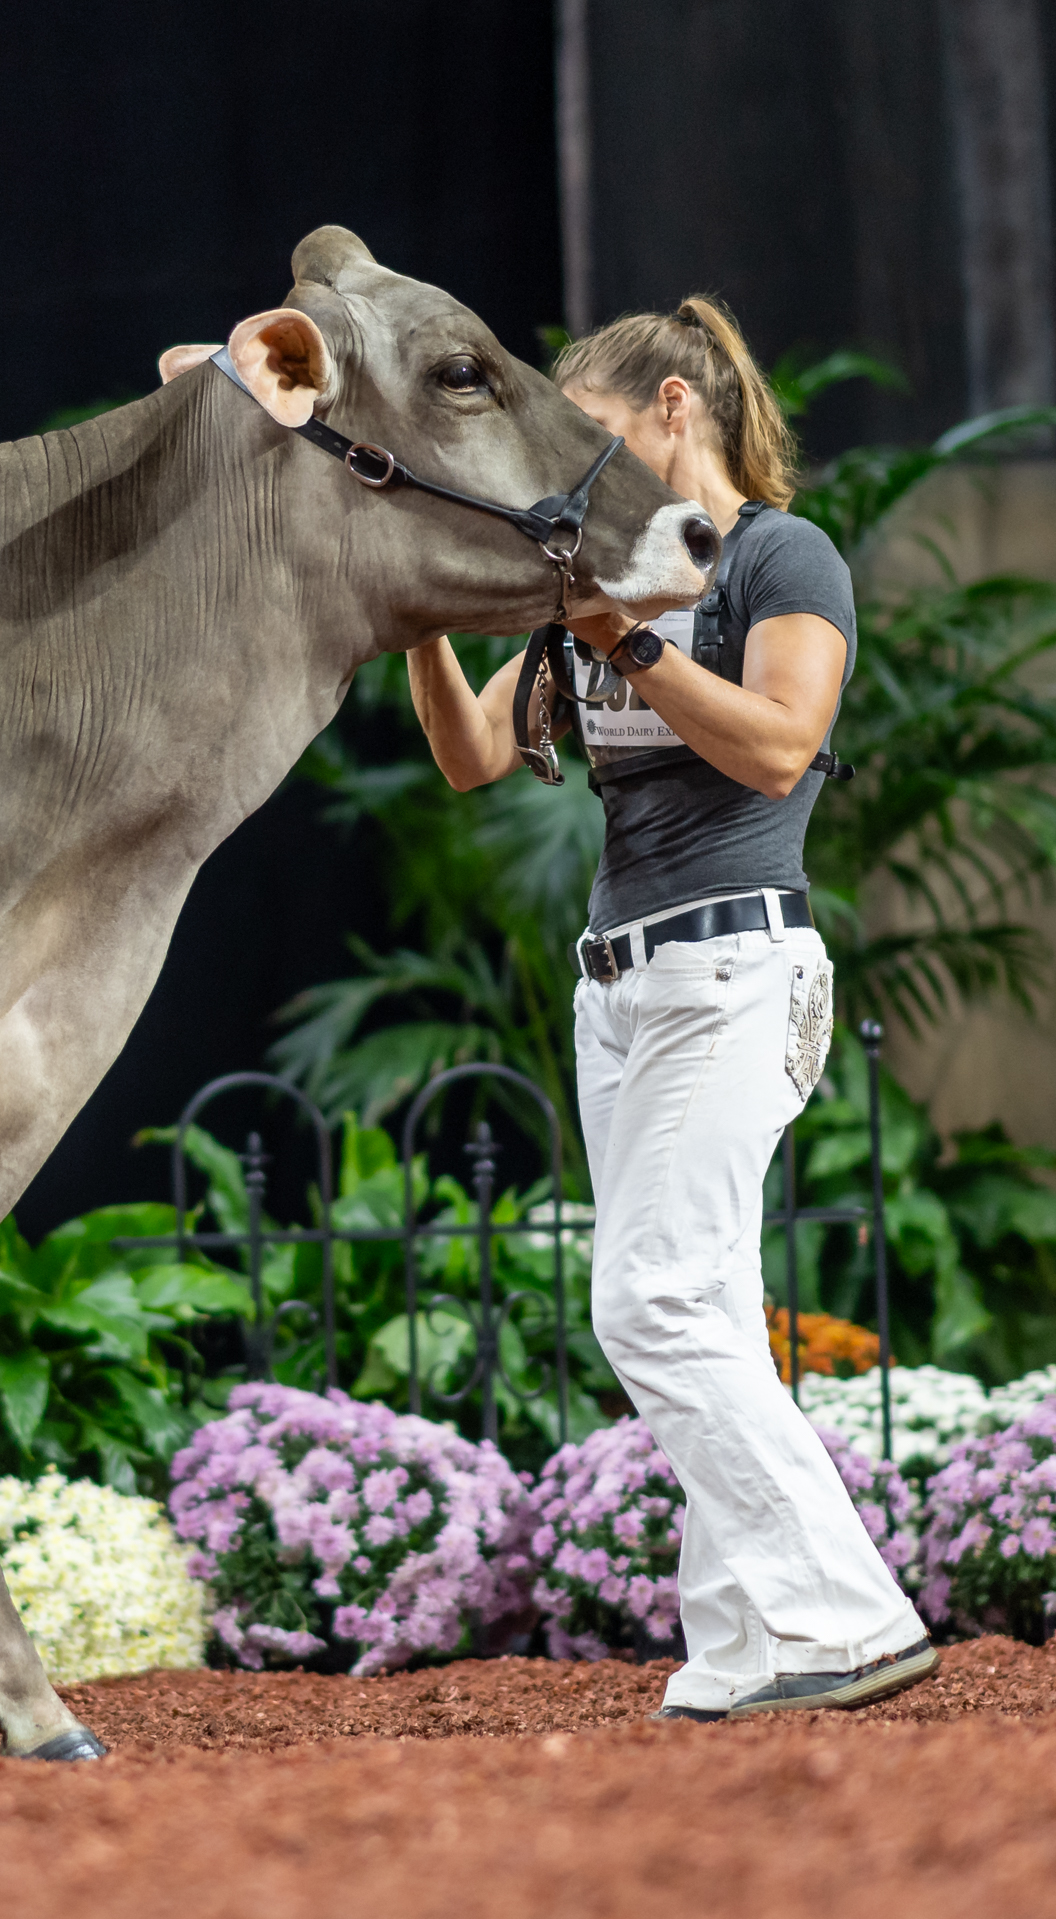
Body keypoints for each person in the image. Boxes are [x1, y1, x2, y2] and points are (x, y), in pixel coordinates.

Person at [404, 297, 934, 1719]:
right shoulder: (594, 578)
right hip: (623, 987)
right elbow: (471, 755)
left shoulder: (776, 556)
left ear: (674, 410)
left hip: (739, 969)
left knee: (649, 1299)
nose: (570, 459)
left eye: (591, 430)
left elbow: (782, 748)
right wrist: (422, 620)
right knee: (699, 1305)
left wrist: (628, 643)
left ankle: (848, 1619)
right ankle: (746, 1641)